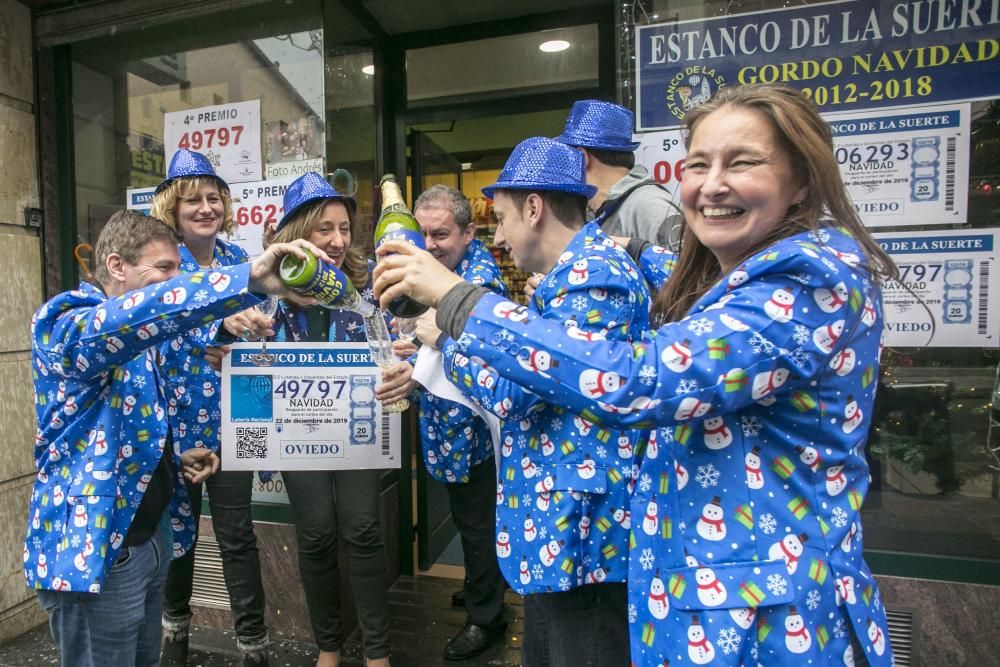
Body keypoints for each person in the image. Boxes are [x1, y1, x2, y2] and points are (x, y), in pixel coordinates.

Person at [373, 84, 897, 667]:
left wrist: (456, 307)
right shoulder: (739, 273)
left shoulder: (809, 278)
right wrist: (638, 248)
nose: (712, 183)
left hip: (770, 621)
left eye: (742, 161)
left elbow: (639, 378)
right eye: (698, 164)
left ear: (802, 179)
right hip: (706, 598)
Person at [24, 209, 326, 667]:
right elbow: (136, 319)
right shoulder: (66, 321)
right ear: (116, 266)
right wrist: (247, 277)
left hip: (149, 543)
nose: (172, 283)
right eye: (163, 269)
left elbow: (120, 421)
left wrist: (175, 457)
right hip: (102, 552)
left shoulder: (142, 338)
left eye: (177, 272)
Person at [418, 138, 651, 667]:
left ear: (533, 208)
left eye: (500, 218)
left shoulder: (591, 278)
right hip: (561, 529)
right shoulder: (574, 277)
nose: (498, 236)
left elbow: (510, 394)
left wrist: (444, 341)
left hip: (583, 532)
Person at [263, 172, 407, 667]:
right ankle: (328, 648)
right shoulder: (266, 296)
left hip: (357, 432)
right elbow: (248, 371)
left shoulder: (365, 288)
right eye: (324, 228)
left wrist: (401, 352)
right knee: (317, 533)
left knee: (364, 529)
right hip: (295, 435)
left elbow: (391, 350)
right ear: (297, 231)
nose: (338, 240)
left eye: (344, 228)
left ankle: (378, 653)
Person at [149, 149, 272, 666]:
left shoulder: (239, 263)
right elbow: (152, 332)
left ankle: (253, 646)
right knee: (178, 537)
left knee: (237, 534)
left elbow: (265, 327)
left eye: (213, 197)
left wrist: (252, 336)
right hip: (175, 426)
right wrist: (214, 333)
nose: (206, 207)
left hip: (234, 418)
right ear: (172, 208)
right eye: (193, 200)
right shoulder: (160, 263)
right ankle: (173, 635)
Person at [410, 185, 509, 660]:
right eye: (422, 233)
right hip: (444, 430)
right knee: (468, 520)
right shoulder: (430, 273)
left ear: (470, 233)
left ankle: (487, 617)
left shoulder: (482, 283)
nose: (429, 244)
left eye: (441, 234)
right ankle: (478, 587)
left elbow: (485, 355)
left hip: (477, 435)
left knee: (477, 525)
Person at [555, 99, 681, 248]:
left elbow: (691, 269)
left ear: (582, 156)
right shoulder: (596, 214)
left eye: (567, 156)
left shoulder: (648, 205)